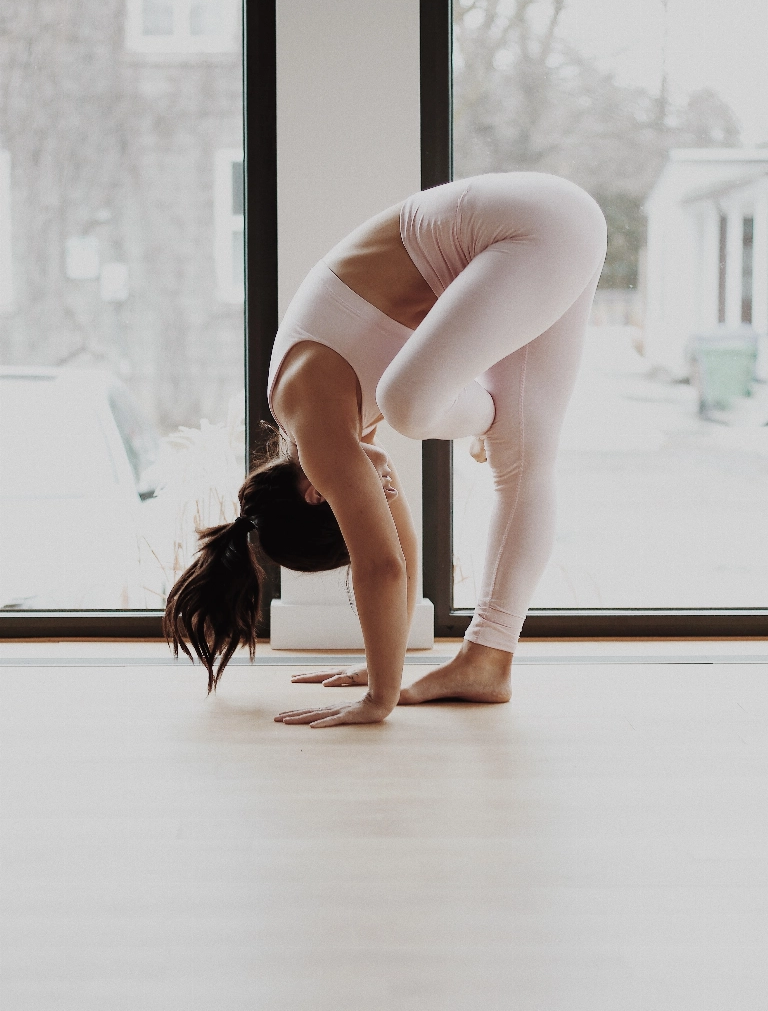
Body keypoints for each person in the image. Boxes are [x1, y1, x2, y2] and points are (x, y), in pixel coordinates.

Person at [163, 172, 607, 728]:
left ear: (314, 495)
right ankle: (487, 661)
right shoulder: (334, 426)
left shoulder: (318, 427)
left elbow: (382, 567)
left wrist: (379, 698)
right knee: (522, 463)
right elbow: (399, 549)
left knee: (408, 404)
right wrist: (387, 666)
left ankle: (484, 416)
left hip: (528, 228)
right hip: (555, 232)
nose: (369, 496)